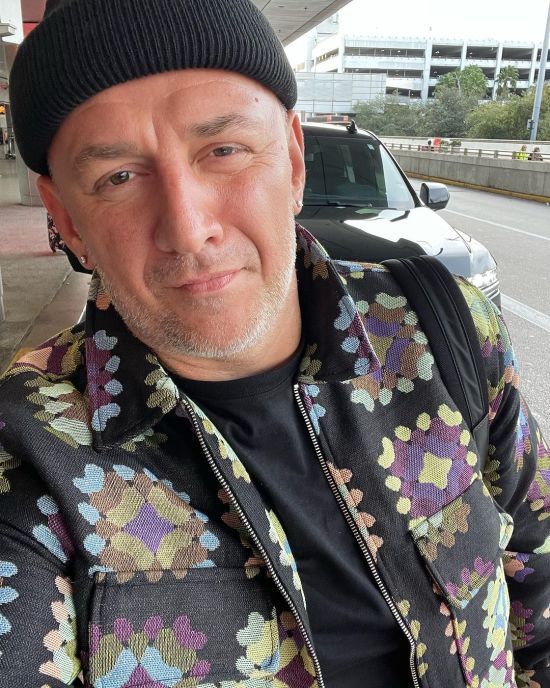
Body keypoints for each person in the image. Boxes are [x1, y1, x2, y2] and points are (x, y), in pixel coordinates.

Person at [1, 1, 549, 686]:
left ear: (292, 161)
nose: (188, 227)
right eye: (119, 177)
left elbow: (538, 587)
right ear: (67, 219)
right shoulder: (29, 452)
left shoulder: (443, 330)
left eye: (223, 151)